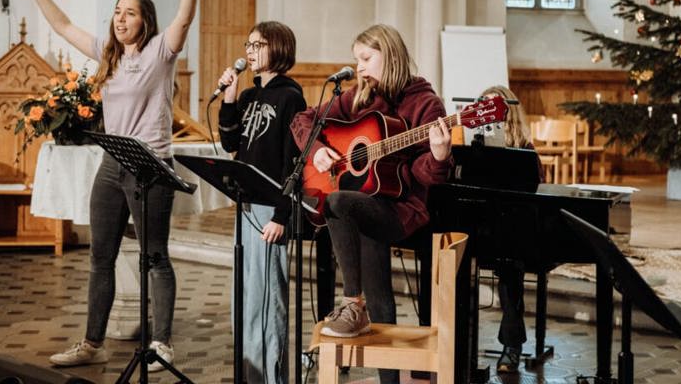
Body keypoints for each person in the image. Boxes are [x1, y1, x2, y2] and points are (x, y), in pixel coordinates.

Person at [15, 0, 211, 371]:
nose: (121, 19)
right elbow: (64, 25)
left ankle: (162, 344)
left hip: (152, 167)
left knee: (154, 256)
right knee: (99, 256)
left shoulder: (161, 52)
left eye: (130, 13)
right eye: (117, 12)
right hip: (112, 165)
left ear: (145, 22)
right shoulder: (108, 56)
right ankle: (91, 343)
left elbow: (184, 18)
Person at [290, 23, 452, 384]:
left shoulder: (426, 104)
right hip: (364, 201)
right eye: (356, 60)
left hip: (402, 209)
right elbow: (302, 120)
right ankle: (386, 375)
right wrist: (317, 153)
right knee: (379, 295)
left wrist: (439, 156)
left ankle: (351, 304)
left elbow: (429, 178)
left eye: (366, 58)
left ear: (389, 55)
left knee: (339, 201)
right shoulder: (358, 97)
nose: (359, 67)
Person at [217, 21, 306, 384]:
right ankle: (250, 374)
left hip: (272, 210)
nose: (250, 51)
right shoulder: (250, 96)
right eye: (248, 44)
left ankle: (273, 378)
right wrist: (228, 97)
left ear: (279, 48)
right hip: (247, 206)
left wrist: (283, 215)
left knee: (270, 302)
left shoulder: (291, 97)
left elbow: (293, 163)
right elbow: (229, 142)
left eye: (258, 44)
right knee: (246, 299)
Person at [478, 85, 542, 374]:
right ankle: (453, 343)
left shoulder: (525, 153)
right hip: (479, 228)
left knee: (510, 265)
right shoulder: (473, 148)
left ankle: (512, 345)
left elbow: (532, 197)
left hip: (513, 233)